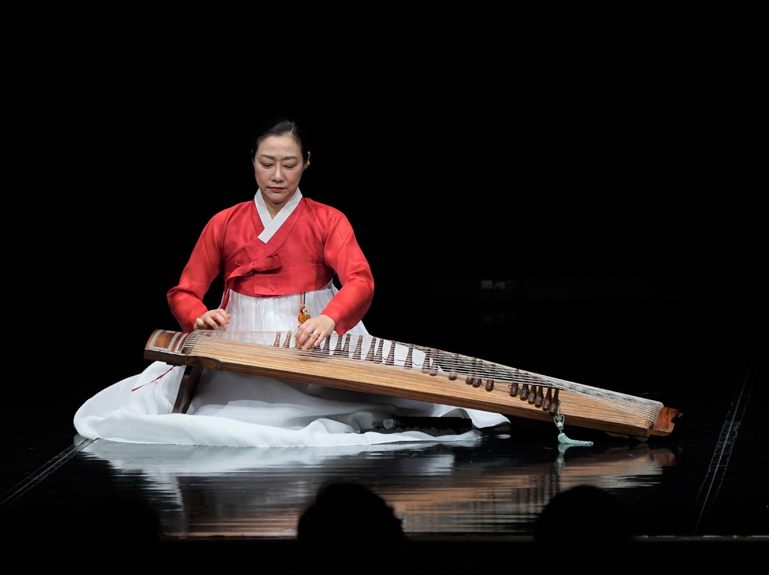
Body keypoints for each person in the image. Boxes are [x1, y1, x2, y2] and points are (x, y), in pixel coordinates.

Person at [74, 118, 509, 447]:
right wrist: (198, 316)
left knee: (398, 385)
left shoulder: (327, 219)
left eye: (289, 164)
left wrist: (330, 318)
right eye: (267, 163)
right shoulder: (224, 222)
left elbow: (360, 280)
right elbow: (184, 291)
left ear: (306, 164)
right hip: (241, 333)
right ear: (253, 163)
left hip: (311, 328)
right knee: (219, 408)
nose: (277, 175)